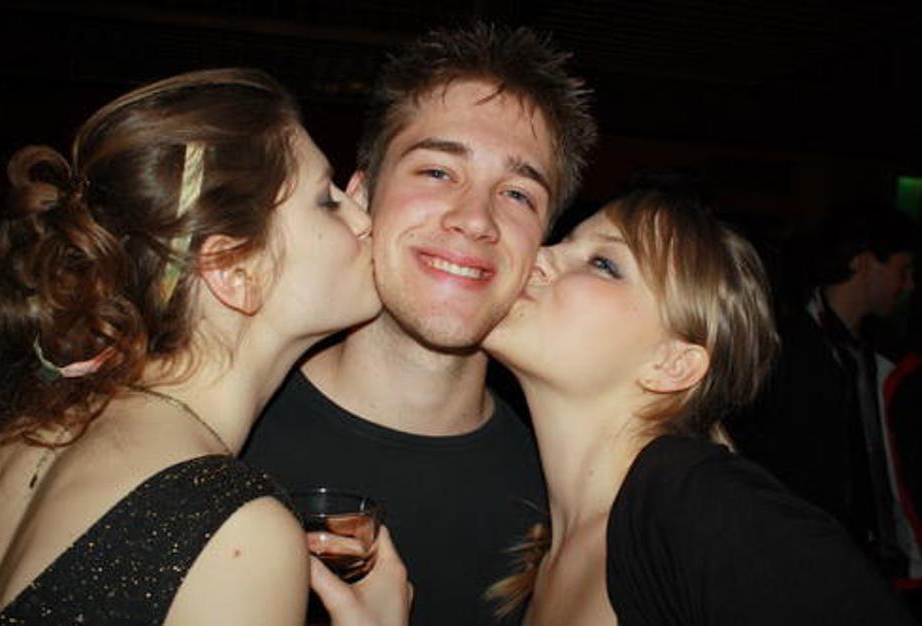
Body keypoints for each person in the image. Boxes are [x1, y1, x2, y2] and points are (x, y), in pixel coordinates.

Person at [0, 68, 410, 626]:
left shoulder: (19, 435)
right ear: (233, 270)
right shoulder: (235, 534)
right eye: (326, 201)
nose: (363, 220)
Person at [243, 23, 597, 626]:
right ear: (361, 198)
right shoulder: (225, 433)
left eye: (517, 194)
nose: (475, 219)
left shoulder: (560, 509)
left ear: (542, 247)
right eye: (437, 172)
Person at [482, 188, 916, 625]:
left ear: (671, 365)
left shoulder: (701, 506)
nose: (538, 255)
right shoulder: (548, 541)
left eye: (604, 264)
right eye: (562, 240)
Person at [730, 209, 919, 577]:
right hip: (806, 558)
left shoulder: (888, 356)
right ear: (863, 263)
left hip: (877, 562)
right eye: (904, 269)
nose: (910, 285)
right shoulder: (784, 351)